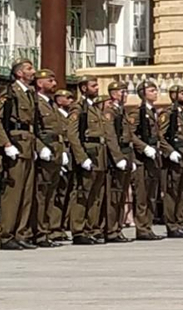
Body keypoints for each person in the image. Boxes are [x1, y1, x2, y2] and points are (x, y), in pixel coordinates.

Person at [0, 59, 41, 250]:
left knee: (27, 193)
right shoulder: (10, 93)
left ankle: (21, 233)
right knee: (13, 194)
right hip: (15, 143)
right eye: (29, 69)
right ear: (19, 73)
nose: (33, 72)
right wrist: (6, 144)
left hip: (28, 145)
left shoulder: (29, 94)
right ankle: (7, 235)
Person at [67, 79, 105, 245]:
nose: (97, 88)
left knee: (95, 194)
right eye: (93, 86)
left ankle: (91, 228)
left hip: (97, 152)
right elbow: (73, 134)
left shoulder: (93, 107)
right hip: (87, 151)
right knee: (82, 193)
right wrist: (81, 157)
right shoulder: (79, 107)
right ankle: (78, 230)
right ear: (83, 88)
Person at [32, 69, 66, 247]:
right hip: (45, 151)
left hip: (56, 151)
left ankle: (46, 231)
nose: (54, 83)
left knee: (50, 195)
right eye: (50, 80)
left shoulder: (51, 104)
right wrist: (40, 148)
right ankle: (39, 233)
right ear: (40, 83)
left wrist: (63, 151)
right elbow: (34, 130)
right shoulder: (36, 103)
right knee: (41, 194)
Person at [129, 81, 166, 241]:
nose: (155, 93)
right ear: (143, 93)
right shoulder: (137, 113)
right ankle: (142, 228)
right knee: (142, 195)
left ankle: (148, 226)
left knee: (152, 194)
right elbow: (131, 134)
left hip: (154, 156)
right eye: (152, 90)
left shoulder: (154, 112)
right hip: (142, 158)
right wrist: (144, 148)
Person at [159, 85, 183, 239]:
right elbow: (161, 135)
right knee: (172, 192)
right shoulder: (168, 114)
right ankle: (172, 225)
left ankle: (180, 222)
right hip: (176, 154)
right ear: (174, 96)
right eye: (182, 93)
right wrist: (170, 152)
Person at [100, 82, 134, 244]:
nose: (125, 94)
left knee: (121, 195)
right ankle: (111, 229)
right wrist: (118, 157)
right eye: (123, 92)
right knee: (114, 195)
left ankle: (117, 227)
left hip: (126, 153)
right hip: (118, 155)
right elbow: (110, 136)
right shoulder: (109, 112)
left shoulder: (121, 111)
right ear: (114, 94)